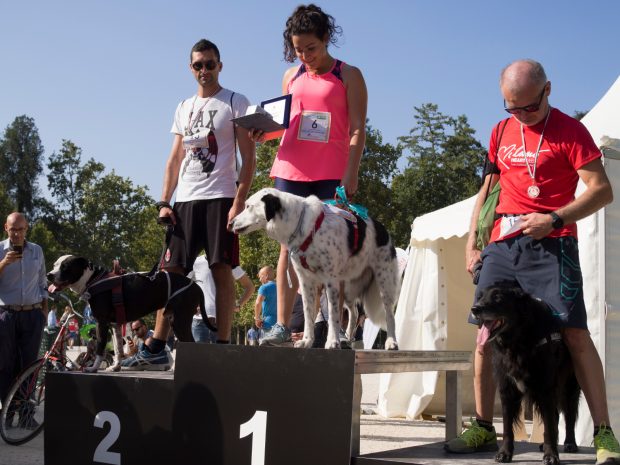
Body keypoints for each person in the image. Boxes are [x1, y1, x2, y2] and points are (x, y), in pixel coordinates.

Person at [444, 59, 619, 465]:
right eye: (512, 107)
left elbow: (602, 190)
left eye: (529, 107)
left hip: (553, 243)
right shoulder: (500, 131)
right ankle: (484, 429)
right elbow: (487, 190)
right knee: (484, 335)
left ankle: (606, 434)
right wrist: (473, 242)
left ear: (548, 91)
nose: (521, 115)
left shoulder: (572, 132)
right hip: (503, 244)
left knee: (574, 334)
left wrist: (555, 217)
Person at [121, 39, 255, 369]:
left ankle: (222, 347)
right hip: (185, 201)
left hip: (220, 197)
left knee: (220, 269)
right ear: (190, 68)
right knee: (170, 274)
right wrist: (164, 201)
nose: (204, 70)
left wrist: (239, 201)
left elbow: (249, 158)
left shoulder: (236, 102)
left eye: (210, 64)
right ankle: (156, 347)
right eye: (198, 65)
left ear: (220, 65)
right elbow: (173, 159)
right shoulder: (183, 106)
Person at [251, 4, 367, 346]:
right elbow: (284, 124)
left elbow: (358, 130)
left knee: (331, 248)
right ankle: (283, 325)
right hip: (290, 169)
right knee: (288, 246)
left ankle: (333, 327)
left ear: (326, 39)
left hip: (331, 172)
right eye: (298, 49)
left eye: (311, 48)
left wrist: (351, 172)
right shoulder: (291, 75)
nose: (305, 56)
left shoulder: (349, 74)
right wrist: (262, 133)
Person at [0, 212, 48, 427]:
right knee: (6, 366)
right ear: (6, 228)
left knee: (30, 365)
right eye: (13, 229)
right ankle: (7, 416)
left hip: (32, 314)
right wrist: (3, 263)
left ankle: (27, 416)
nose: (17, 234)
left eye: (21, 229)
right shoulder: (1, 250)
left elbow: (42, 281)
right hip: (6, 315)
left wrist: (44, 312)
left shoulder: (36, 250)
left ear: (27, 228)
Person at [189, 254, 255, 343]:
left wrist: (238, 305)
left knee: (221, 355)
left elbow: (250, 287)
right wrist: (190, 304)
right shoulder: (195, 262)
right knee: (199, 356)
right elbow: (182, 284)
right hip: (199, 321)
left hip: (223, 322)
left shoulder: (229, 262)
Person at [254, 266, 277, 342]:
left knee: (265, 350)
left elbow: (258, 303)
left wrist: (257, 318)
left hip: (268, 324)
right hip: (282, 325)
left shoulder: (264, 287)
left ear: (266, 276)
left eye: (260, 277)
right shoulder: (282, 287)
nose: (260, 280)